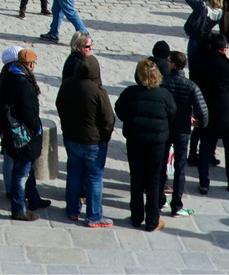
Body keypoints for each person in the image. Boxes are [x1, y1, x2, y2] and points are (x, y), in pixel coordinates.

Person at [114, 58, 177, 232]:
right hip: (157, 143)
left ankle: (136, 216)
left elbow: (119, 110)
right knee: (154, 180)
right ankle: (152, 220)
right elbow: (173, 114)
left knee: (136, 177)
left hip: (135, 140)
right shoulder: (164, 95)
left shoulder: (130, 93)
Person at [56, 54, 115, 227]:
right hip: (93, 142)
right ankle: (94, 216)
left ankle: (73, 210)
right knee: (94, 177)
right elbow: (108, 119)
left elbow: (60, 105)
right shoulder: (97, 91)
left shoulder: (67, 84)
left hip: (71, 138)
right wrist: (105, 136)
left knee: (73, 173)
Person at [192, 33, 229, 194]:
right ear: (223, 48)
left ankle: (203, 183)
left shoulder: (197, 60)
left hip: (204, 108)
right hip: (223, 111)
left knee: (205, 146)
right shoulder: (225, 65)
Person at [0, 48, 45, 220]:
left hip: (17, 131)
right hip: (23, 134)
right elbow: (26, 110)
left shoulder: (11, 75)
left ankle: (34, 199)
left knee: (26, 168)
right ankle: (18, 209)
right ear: (29, 64)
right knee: (21, 172)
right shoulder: (22, 81)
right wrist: (36, 127)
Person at [160, 50, 208, 218]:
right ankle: (176, 204)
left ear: (173, 63)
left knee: (161, 164)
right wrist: (199, 123)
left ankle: (160, 199)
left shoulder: (163, 82)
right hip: (182, 130)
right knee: (180, 167)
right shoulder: (190, 85)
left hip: (166, 128)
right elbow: (202, 110)